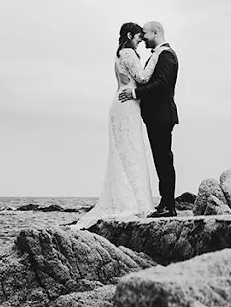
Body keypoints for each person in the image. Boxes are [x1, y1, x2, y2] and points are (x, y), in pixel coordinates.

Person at [74, 23, 161, 228]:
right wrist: (157, 55)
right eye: (139, 37)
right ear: (130, 35)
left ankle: (129, 201)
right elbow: (142, 77)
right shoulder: (128, 53)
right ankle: (134, 204)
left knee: (124, 154)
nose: (140, 41)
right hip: (127, 106)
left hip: (120, 104)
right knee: (132, 152)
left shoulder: (119, 54)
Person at [118, 20, 179, 217]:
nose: (143, 37)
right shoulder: (158, 56)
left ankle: (169, 206)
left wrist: (135, 93)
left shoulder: (167, 56)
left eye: (145, 33)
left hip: (162, 115)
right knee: (160, 160)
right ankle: (165, 204)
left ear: (155, 32)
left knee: (164, 159)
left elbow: (161, 85)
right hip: (155, 116)